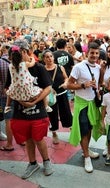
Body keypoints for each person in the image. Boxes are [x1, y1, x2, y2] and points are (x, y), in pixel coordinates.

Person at [5, 39, 54, 179]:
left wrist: (35, 101)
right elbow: (9, 88)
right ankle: (32, 163)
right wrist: (21, 100)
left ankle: (46, 162)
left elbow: (48, 87)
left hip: (38, 112)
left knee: (39, 138)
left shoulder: (39, 68)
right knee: (28, 139)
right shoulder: (13, 67)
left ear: (26, 52)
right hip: (20, 112)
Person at [67, 42, 102, 173]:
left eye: (96, 53)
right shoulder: (78, 67)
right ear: (86, 53)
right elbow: (68, 85)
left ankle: (86, 150)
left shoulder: (98, 68)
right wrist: (83, 85)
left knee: (90, 128)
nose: (94, 55)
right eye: (92, 53)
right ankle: (87, 157)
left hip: (92, 103)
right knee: (83, 130)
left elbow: (98, 84)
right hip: (81, 103)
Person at [6, 45, 52, 113]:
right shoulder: (25, 64)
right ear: (23, 52)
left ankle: (7, 106)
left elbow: (7, 88)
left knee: (10, 92)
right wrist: (32, 58)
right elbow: (32, 63)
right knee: (41, 90)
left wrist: (20, 100)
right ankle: (46, 106)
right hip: (28, 89)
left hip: (17, 91)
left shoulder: (10, 66)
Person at [43, 50, 72, 144]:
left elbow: (66, 78)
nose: (49, 58)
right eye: (47, 57)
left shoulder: (60, 67)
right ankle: (54, 133)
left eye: (51, 56)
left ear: (53, 57)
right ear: (44, 59)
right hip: (50, 96)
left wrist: (65, 83)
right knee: (52, 114)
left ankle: (72, 129)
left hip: (62, 94)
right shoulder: (42, 70)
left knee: (66, 112)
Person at [0, 44, 12, 150]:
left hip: (4, 95)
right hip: (17, 95)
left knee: (8, 119)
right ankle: (22, 140)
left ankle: (9, 144)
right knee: (18, 118)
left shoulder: (0, 62)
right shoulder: (17, 62)